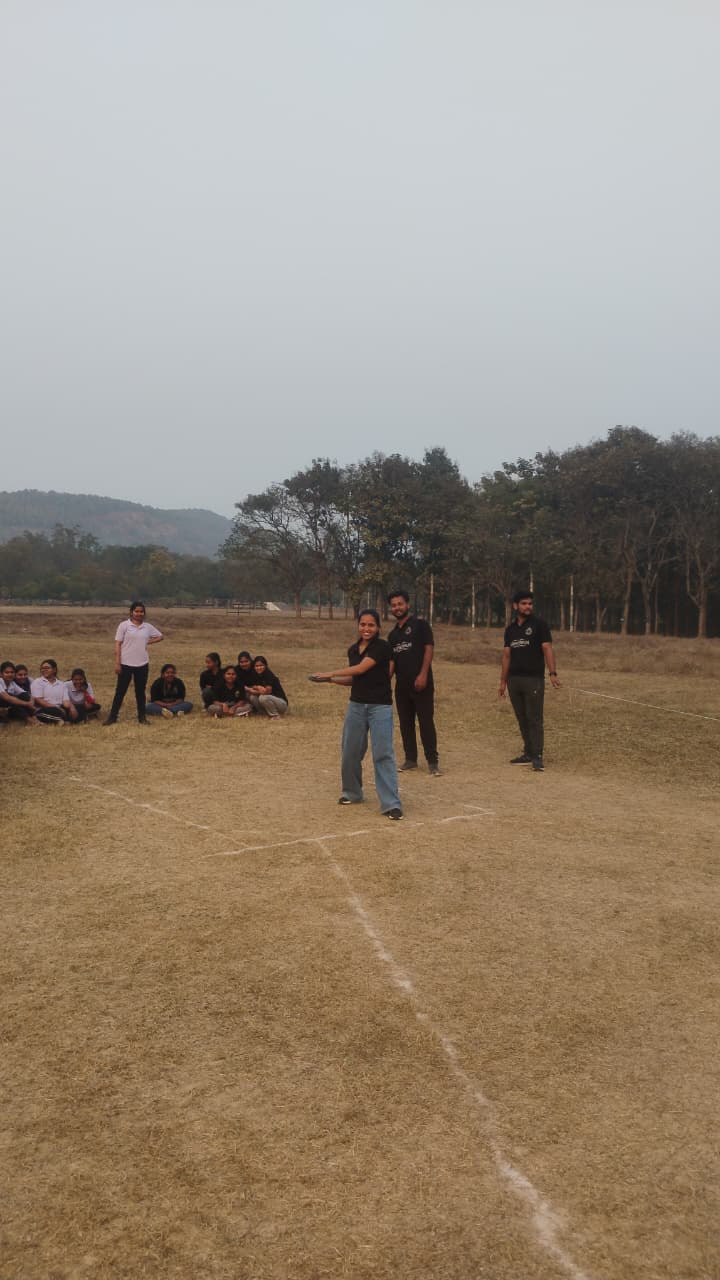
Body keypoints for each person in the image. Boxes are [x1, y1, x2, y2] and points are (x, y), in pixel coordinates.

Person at [312, 609, 403, 820]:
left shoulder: (381, 647)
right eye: (363, 624)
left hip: (380, 707)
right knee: (350, 751)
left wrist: (330, 672)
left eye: (371, 625)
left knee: (382, 754)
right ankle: (352, 793)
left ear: (378, 627)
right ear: (358, 625)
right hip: (356, 706)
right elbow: (355, 678)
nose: (366, 628)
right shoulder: (353, 650)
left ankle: (391, 804)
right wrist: (330, 681)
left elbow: (362, 669)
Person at [499, 590, 561, 772]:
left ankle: (537, 756)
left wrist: (553, 673)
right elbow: (506, 656)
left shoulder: (540, 625)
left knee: (534, 718)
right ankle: (527, 752)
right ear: (515, 606)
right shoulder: (510, 630)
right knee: (522, 718)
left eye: (530, 604)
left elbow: (547, 649)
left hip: (533, 680)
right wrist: (503, 682)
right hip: (514, 680)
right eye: (524, 603)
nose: (528, 607)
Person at [387, 589, 441, 776]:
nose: (397, 608)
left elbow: (429, 649)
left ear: (407, 605)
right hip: (402, 686)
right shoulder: (393, 635)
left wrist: (423, 674)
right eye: (394, 605)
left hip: (421, 684)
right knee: (405, 723)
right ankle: (411, 759)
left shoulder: (420, 625)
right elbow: (392, 662)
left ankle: (433, 762)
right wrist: (384, 682)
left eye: (400, 604)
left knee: (426, 722)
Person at [104, 601, 163, 726]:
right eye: (136, 611)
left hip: (142, 664)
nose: (139, 614)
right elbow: (118, 644)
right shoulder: (124, 625)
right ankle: (112, 717)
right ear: (131, 612)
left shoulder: (147, 627)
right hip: (125, 663)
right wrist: (117, 662)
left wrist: (147, 642)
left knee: (140, 692)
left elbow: (160, 636)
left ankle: (142, 718)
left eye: (141, 611)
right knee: (120, 691)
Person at [245, 655, 288, 719]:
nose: (259, 668)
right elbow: (254, 687)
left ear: (265, 666)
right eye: (256, 666)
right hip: (269, 699)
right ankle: (263, 713)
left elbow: (267, 691)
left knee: (263, 697)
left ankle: (275, 715)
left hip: (281, 703)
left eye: (261, 665)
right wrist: (256, 688)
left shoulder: (268, 674)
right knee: (253, 697)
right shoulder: (255, 674)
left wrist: (253, 689)